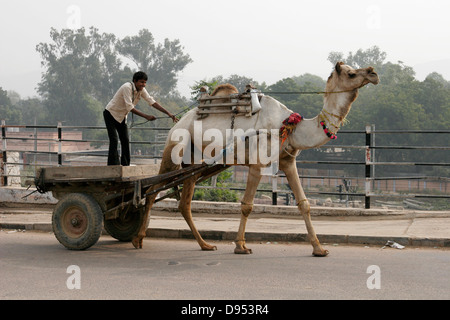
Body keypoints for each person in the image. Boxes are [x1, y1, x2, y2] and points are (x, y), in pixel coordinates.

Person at [103, 71, 178, 166]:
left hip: (121, 117)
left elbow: (152, 101)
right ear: (135, 81)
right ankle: (113, 165)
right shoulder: (127, 87)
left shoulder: (141, 90)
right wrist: (146, 116)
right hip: (111, 113)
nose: (143, 85)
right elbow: (129, 107)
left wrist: (168, 113)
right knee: (114, 139)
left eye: (145, 82)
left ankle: (126, 165)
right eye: (141, 82)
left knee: (125, 140)